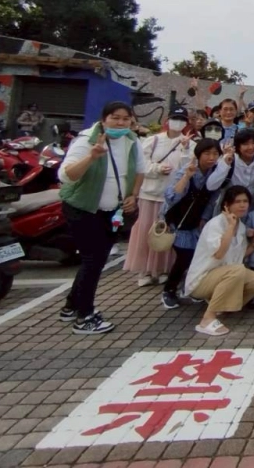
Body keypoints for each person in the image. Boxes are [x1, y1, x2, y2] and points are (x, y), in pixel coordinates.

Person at [58, 101, 147, 334]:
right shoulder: (86, 140)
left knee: (96, 259)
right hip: (83, 209)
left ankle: (71, 306)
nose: (120, 123)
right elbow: (66, 175)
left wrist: (133, 195)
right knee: (93, 260)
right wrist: (91, 157)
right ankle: (84, 316)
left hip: (112, 211)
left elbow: (140, 171)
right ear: (104, 119)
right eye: (115, 118)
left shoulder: (131, 140)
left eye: (125, 119)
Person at [125, 108, 193, 287]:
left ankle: (165, 269)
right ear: (168, 120)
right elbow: (139, 164)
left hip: (171, 198)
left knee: (167, 235)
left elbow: (188, 168)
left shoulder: (189, 143)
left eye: (182, 119)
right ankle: (145, 271)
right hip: (150, 195)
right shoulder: (152, 140)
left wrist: (186, 149)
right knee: (145, 233)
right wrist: (157, 168)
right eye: (175, 118)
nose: (178, 122)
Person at [185, 186, 254, 336]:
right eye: (237, 202)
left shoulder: (240, 227)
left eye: (245, 201)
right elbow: (220, 253)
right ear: (226, 205)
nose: (242, 205)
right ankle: (207, 319)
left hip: (224, 274)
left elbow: (239, 257)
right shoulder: (215, 224)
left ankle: (221, 306)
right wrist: (230, 227)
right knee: (238, 270)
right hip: (202, 279)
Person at [161, 139, 223, 310]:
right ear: (198, 154)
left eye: (215, 154)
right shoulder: (187, 170)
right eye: (207, 153)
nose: (211, 157)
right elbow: (171, 197)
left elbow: (211, 199)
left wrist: (204, 218)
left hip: (196, 220)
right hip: (178, 220)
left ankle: (188, 289)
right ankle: (169, 290)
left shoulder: (215, 173)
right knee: (184, 256)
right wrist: (187, 176)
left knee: (196, 256)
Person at [207, 127, 254, 198]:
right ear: (238, 146)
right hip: (230, 206)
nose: (251, 147)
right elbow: (211, 186)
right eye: (245, 144)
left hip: (253, 206)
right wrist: (225, 164)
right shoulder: (229, 158)